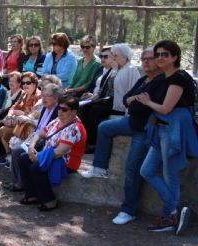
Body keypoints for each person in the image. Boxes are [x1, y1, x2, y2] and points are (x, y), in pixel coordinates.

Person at [80, 48, 164, 226]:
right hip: (131, 121)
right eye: (144, 59)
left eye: (150, 59)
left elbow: (150, 106)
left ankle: (129, 210)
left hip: (144, 128)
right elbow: (126, 98)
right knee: (104, 127)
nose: (146, 62)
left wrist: (138, 101)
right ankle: (99, 167)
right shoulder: (143, 79)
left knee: (133, 169)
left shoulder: (161, 81)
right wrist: (136, 99)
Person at [136, 40, 198, 234]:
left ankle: (170, 215)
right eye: (158, 54)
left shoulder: (178, 78)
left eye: (165, 54)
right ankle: (175, 210)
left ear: (174, 57)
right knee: (147, 170)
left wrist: (147, 102)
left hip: (173, 130)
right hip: (161, 129)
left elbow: (166, 108)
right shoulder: (164, 77)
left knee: (170, 173)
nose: (160, 58)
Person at [17, 95, 87, 211]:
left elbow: (60, 152)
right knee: (23, 159)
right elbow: (39, 134)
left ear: (74, 111)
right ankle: (32, 194)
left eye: (64, 109)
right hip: (49, 155)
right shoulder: (57, 121)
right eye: (59, 108)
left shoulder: (75, 128)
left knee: (37, 167)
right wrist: (31, 148)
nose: (60, 111)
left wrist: (38, 157)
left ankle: (49, 200)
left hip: (66, 162)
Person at [7, 83, 62, 192]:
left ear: (56, 98)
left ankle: (22, 184)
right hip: (36, 138)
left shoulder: (58, 111)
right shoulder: (45, 108)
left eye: (47, 96)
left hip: (47, 142)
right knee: (15, 151)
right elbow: (39, 127)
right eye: (43, 95)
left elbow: (50, 131)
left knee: (21, 154)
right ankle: (17, 182)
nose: (44, 98)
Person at [0, 71, 42, 164]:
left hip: (29, 126)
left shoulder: (38, 96)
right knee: (2, 129)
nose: (25, 85)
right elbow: (13, 107)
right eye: (23, 83)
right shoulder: (24, 94)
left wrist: (21, 113)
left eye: (28, 83)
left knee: (5, 131)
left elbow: (34, 116)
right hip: (18, 121)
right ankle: (9, 156)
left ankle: (12, 158)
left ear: (35, 84)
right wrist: (9, 117)